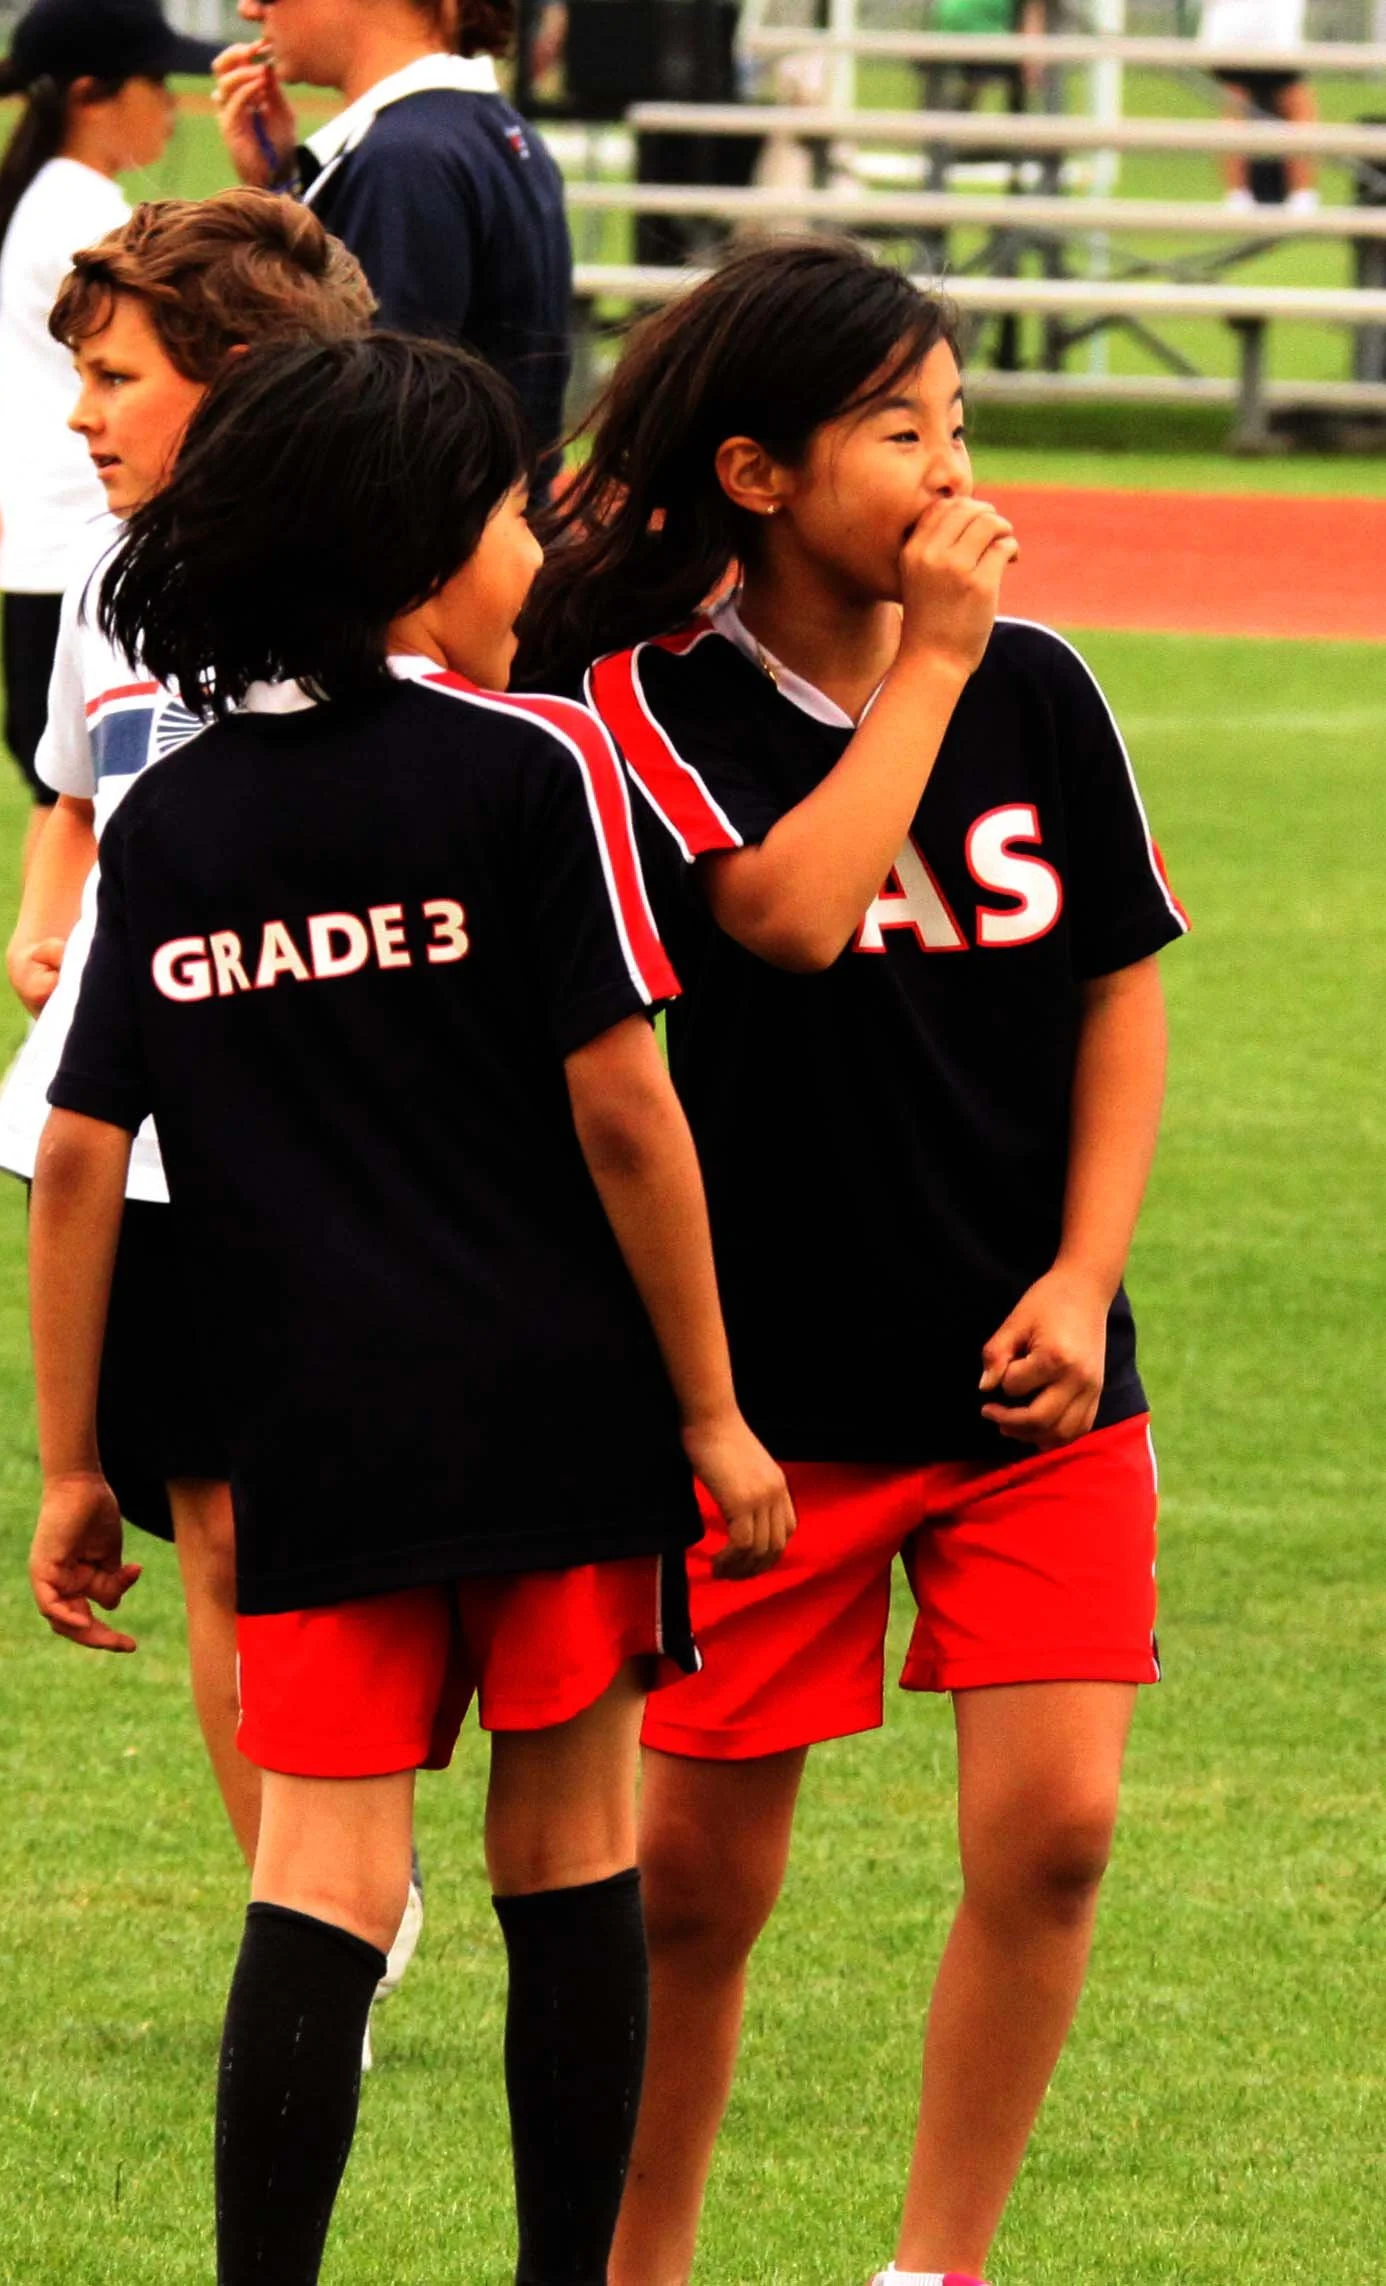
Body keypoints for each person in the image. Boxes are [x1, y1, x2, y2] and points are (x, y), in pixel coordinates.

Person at [25, 329, 794, 2286]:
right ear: (410, 550)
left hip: (312, 1436)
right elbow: (627, 1115)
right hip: (554, 1414)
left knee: (322, 1883)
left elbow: (91, 1151)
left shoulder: (176, 821)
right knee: (568, 1864)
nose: (533, 539)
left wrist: (68, 1466)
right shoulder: (531, 762)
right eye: (505, 507)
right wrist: (711, 1411)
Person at [523, 238, 1189, 2286]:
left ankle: (936, 2269)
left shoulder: (1042, 687)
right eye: (902, 432)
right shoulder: (636, 700)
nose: (949, 467)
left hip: (1028, 1381)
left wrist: (1085, 1282)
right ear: (753, 473)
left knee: (1058, 1836)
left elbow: (1119, 994)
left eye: (960, 424)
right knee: (699, 1895)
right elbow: (794, 914)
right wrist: (930, 667)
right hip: (761, 1408)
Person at [0, 191, 377, 1907]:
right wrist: (41, 913)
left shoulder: (391, 587)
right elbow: (76, 800)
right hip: (140, 1141)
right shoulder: (107, 584)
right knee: (213, 1527)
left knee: (349, 1537)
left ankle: (383, 1852)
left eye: (118, 378)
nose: (82, 416)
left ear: (239, 385)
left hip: (346, 1134)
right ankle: (317, 1918)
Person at [0, 0, 220, 868]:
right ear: (91, 92)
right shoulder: (85, 221)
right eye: (157, 82)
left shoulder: (50, 199)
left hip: (53, 557)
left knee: (71, 811)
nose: (172, 104)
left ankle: (62, 999)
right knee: (92, 818)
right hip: (89, 554)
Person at [212, 0, 572, 481]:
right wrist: (278, 191)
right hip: (497, 529)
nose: (250, 8)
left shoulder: (404, 159)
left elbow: (374, 437)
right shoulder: (485, 127)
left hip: (442, 542)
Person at [1198, 0, 1318, 211]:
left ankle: (1238, 196)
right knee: (1295, 105)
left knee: (1236, 106)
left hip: (1231, 33)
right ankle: (1301, 195)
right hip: (1271, 32)